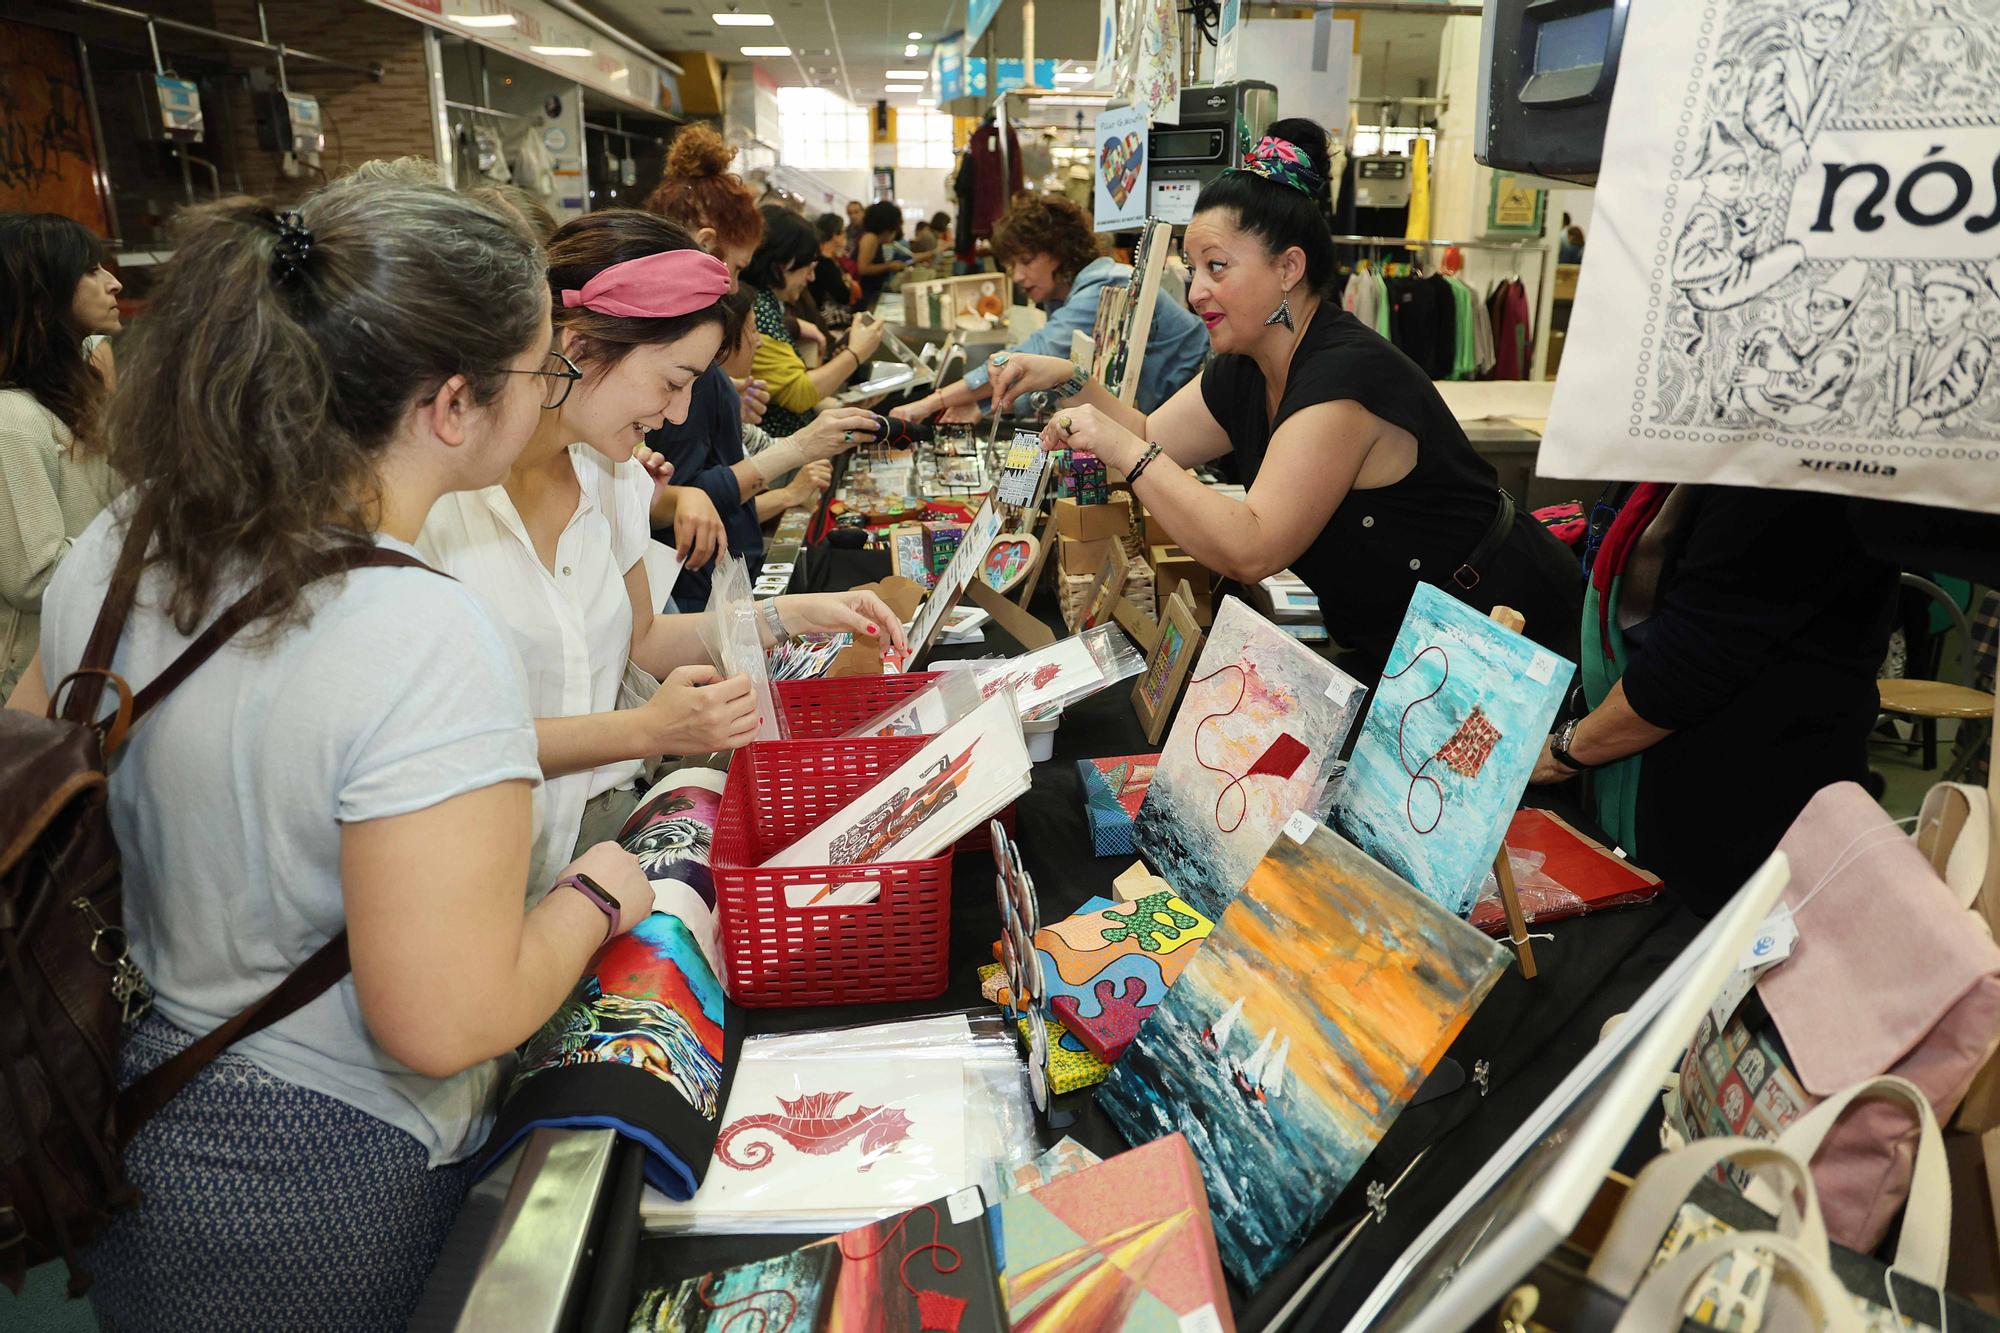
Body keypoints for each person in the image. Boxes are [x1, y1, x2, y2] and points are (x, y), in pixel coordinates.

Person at [8, 179, 660, 1327]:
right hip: (331, 1161)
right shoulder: (418, 628)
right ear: (454, 404)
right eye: (538, 371)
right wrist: (595, 896)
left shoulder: (127, 538)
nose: (549, 396)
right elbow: (445, 1016)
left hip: (125, 1092)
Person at [418, 209, 904, 895]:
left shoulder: (610, 471)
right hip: (474, 877)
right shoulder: (441, 497)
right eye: (673, 383)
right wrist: (644, 729)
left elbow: (642, 638)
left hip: (592, 848)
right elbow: (439, 742)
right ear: (581, 345)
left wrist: (803, 614)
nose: (678, 416)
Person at [988, 120, 1582, 668]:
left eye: (1217, 267)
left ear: (1289, 269)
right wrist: (1065, 378)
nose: (1195, 292)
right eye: (1191, 268)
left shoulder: (1342, 384)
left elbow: (1252, 547)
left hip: (1505, 632)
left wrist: (1124, 450)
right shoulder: (1246, 366)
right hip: (1405, 641)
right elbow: (1147, 435)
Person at [1531, 484, 1897, 916]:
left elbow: (1689, 668)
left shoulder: (1781, 482)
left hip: (1746, 806)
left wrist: (1564, 751)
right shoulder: (1698, 463)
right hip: (1673, 780)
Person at [892, 193, 1208, 421]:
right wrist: (983, 407)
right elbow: (1057, 381)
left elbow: (1021, 362)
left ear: (1059, 252)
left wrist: (930, 403)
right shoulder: (1063, 299)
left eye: (1026, 261)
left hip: (1204, 407)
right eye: (1011, 264)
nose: (1016, 276)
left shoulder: (1105, 288)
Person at [0, 213, 122, 700]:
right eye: (91, 270)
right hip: (37, 682)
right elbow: (36, 577)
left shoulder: (67, 398)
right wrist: (140, 543)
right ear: (44, 294)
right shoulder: (14, 421)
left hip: (87, 657)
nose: (114, 282)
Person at [744, 206, 887, 439]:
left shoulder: (767, 304)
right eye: (807, 269)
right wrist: (855, 353)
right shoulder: (757, 311)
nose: (810, 278)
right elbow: (798, 393)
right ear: (784, 264)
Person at [852, 200, 908, 311]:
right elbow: (863, 268)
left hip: (869, 293)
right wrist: (889, 266)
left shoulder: (875, 239)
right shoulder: (870, 238)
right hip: (864, 295)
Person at [808, 212, 857, 320]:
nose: (846, 235)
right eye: (843, 231)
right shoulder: (824, 262)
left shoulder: (828, 258)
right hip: (829, 318)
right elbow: (843, 296)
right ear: (835, 235)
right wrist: (847, 282)